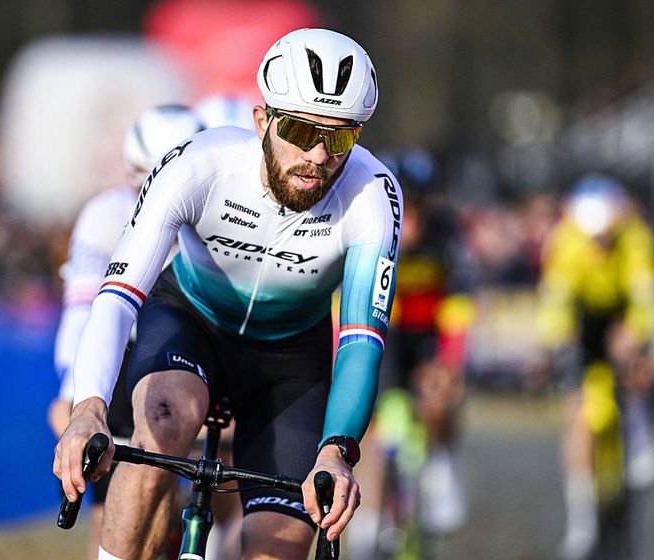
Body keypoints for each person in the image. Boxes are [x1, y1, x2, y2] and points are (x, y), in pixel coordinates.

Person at [53, 27, 401, 560]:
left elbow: (360, 341)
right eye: (300, 131)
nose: (316, 157)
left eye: (338, 138)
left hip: (289, 359)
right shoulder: (199, 163)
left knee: (276, 547)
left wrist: (336, 451)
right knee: (164, 422)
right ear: (262, 120)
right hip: (191, 321)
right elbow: (119, 295)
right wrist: (88, 407)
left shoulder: (373, 196)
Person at [48, 103, 202, 559]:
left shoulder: (211, 208)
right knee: (114, 514)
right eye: (142, 177)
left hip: (193, 350)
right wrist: (73, 397)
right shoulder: (105, 214)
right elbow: (82, 312)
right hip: (125, 352)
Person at [348, 148, 474, 559]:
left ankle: (440, 465)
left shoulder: (446, 233)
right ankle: (368, 528)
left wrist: (449, 363)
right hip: (387, 329)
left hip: (430, 331)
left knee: (440, 395)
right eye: (406, 210)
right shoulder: (373, 227)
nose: (413, 222)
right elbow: (349, 306)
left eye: (419, 209)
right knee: (377, 430)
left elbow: (459, 303)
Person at [535, 174, 654, 560]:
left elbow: (645, 296)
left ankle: (640, 423)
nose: (601, 244)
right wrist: (559, 340)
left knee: (636, 361)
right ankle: (581, 518)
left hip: (620, 312)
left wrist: (636, 333)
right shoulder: (566, 240)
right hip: (584, 320)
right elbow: (555, 299)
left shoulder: (636, 236)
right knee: (577, 414)